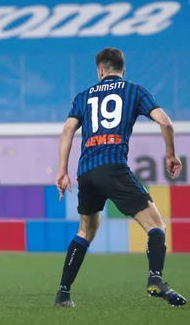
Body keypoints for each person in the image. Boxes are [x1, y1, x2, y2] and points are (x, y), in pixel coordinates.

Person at [54, 47, 186, 307]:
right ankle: (156, 279)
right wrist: (171, 154)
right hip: (112, 166)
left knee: (85, 230)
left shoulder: (83, 96)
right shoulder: (134, 90)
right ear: (122, 70)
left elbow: (68, 129)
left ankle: (63, 294)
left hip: (86, 171)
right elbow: (166, 123)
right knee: (156, 225)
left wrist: (62, 170)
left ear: (100, 71)